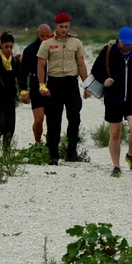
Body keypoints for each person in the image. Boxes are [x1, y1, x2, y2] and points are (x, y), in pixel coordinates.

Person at [90, 27, 132, 177]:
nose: (127, 46)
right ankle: (116, 166)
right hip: (113, 98)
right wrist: (104, 80)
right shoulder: (109, 51)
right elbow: (95, 70)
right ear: (118, 39)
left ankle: (130, 155)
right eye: (125, 43)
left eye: (130, 43)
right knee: (115, 133)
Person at [36, 13, 89, 165]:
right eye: (61, 27)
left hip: (71, 84)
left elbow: (81, 64)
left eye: (66, 27)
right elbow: (40, 65)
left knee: (74, 117)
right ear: (56, 26)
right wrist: (41, 85)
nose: (64, 30)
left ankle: (72, 152)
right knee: (53, 120)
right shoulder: (47, 43)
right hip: (54, 83)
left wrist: (87, 86)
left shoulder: (76, 42)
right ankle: (53, 154)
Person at [19, 24, 52, 144]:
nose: (44, 38)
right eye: (42, 36)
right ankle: (37, 143)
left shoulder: (55, 47)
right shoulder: (30, 50)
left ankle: (50, 146)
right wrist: (23, 90)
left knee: (52, 120)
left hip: (53, 86)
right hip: (36, 87)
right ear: (37, 34)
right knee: (39, 119)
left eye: (47, 36)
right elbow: (23, 72)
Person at [0, 32, 22, 151]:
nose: (9, 49)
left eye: (11, 47)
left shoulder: (13, 60)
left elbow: (18, 76)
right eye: (6, 47)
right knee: (0, 125)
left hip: (10, 98)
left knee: (10, 127)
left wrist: (19, 63)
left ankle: (6, 152)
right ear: (1, 45)